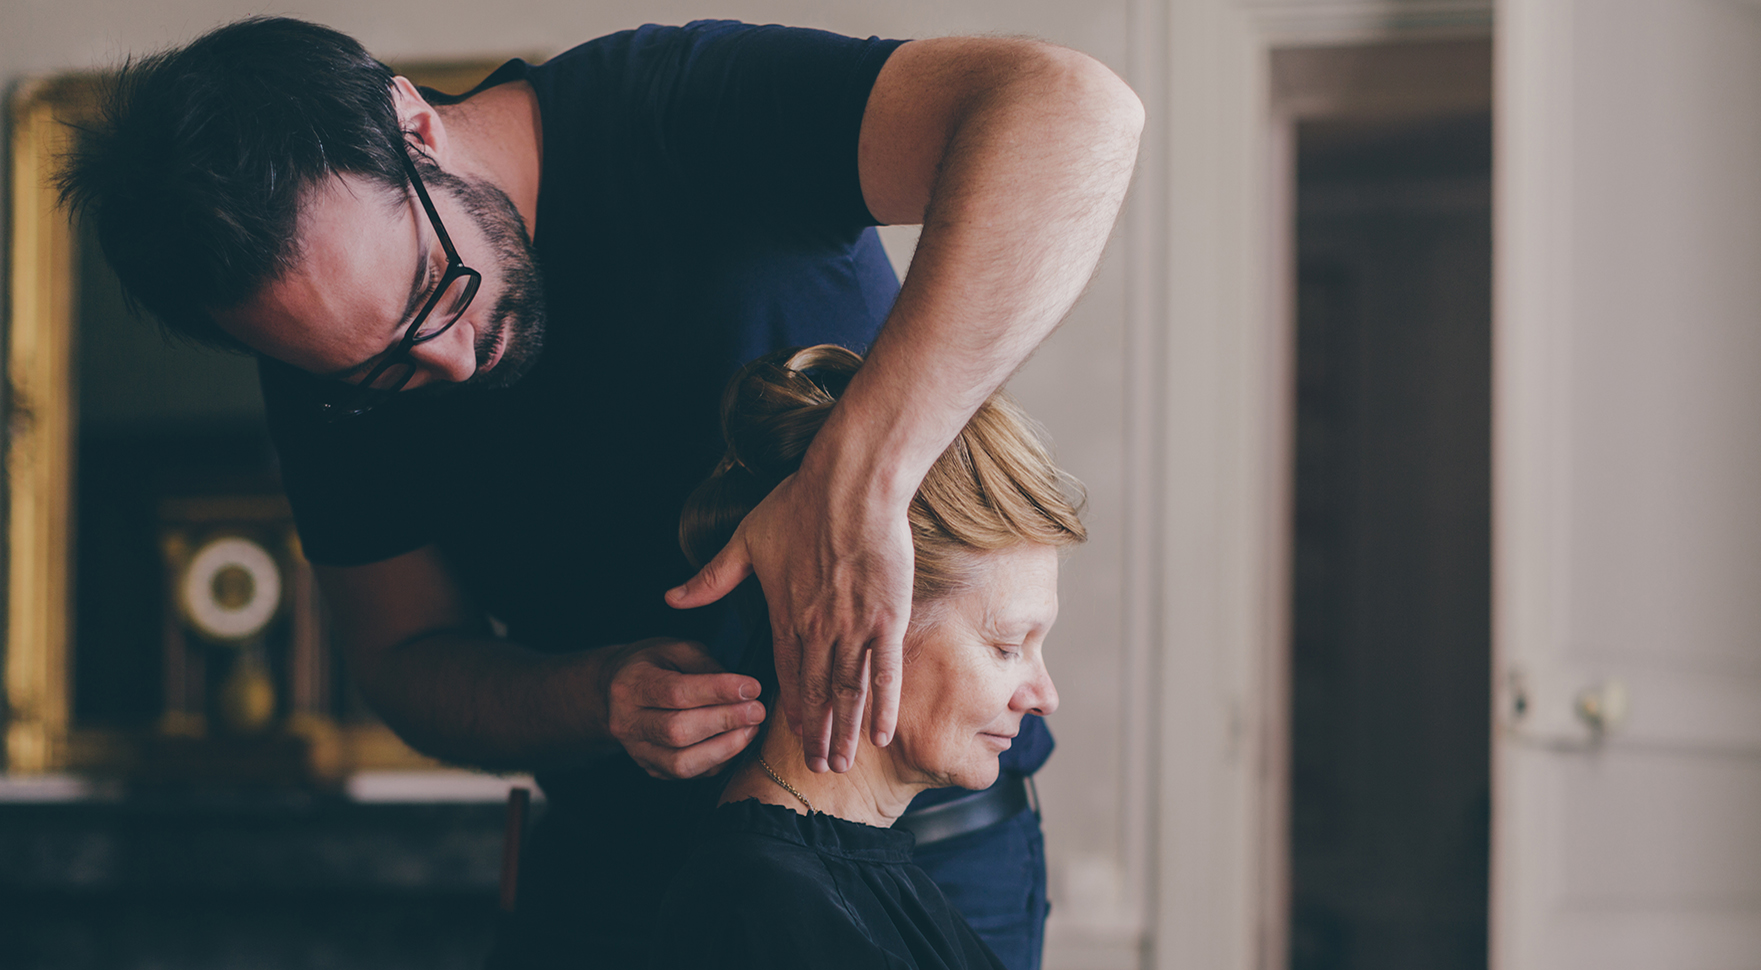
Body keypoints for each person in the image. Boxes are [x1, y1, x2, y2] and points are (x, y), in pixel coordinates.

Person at [57, 15, 1140, 969]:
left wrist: (860, 476)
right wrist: (595, 695)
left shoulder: (676, 111)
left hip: (921, 843)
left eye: (434, 289)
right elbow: (403, 658)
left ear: (412, 125)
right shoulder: (325, 371)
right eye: (380, 368)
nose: (448, 363)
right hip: (613, 861)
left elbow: (1073, 113)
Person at [651, 344, 1084, 969]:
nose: (1045, 696)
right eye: (1007, 647)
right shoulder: (767, 911)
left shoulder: (830, 886)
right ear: (856, 620)